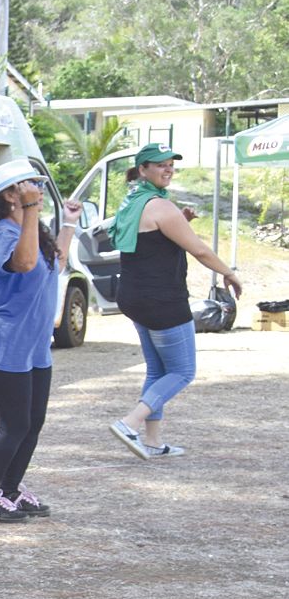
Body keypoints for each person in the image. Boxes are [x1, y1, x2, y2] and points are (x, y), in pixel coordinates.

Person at [108, 144, 243, 459]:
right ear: (143, 170)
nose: (167, 169)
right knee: (182, 371)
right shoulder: (160, 207)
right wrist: (229, 273)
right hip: (162, 301)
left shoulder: (133, 202)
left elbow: (151, 240)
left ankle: (153, 443)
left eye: (170, 164)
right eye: (159, 165)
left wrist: (181, 219)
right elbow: (200, 251)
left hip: (133, 296)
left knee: (157, 370)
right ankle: (129, 422)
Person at [0, 161, 80, 522]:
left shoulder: (34, 228)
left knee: (33, 422)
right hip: (3, 344)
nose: (37, 188)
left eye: (37, 182)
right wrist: (32, 211)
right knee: (13, 425)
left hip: (33, 346)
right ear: (9, 194)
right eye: (28, 184)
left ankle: (10, 491)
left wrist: (67, 224)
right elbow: (25, 262)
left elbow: (54, 265)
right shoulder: (1, 234)